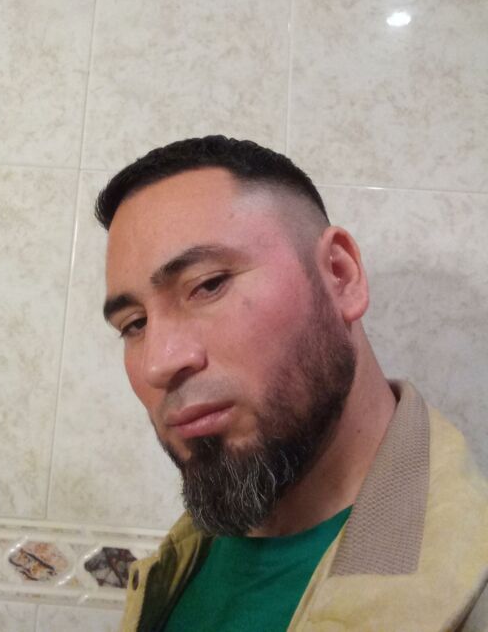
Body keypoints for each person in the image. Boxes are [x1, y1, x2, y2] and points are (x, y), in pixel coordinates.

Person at [96, 136, 488, 632]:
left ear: (340, 276)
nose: (158, 363)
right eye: (134, 324)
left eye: (209, 284)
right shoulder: (185, 559)